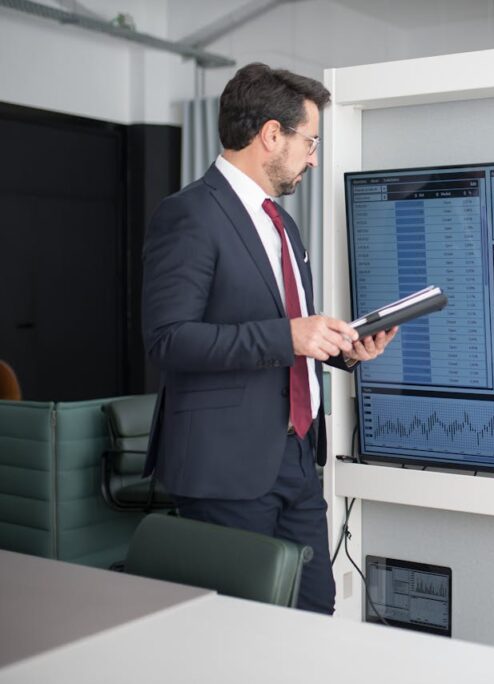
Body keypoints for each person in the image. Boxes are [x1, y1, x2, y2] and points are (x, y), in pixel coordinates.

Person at [141, 63, 397, 614]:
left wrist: (343, 350)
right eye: (310, 141)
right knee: (247, 634)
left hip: (296, 457)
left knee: (315, 614)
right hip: (226, 466)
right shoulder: (188, 214)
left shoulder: (282, 224)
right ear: (271, 134)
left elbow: (291, 342)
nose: (313, 157)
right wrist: (288, 336)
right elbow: (169, 340)